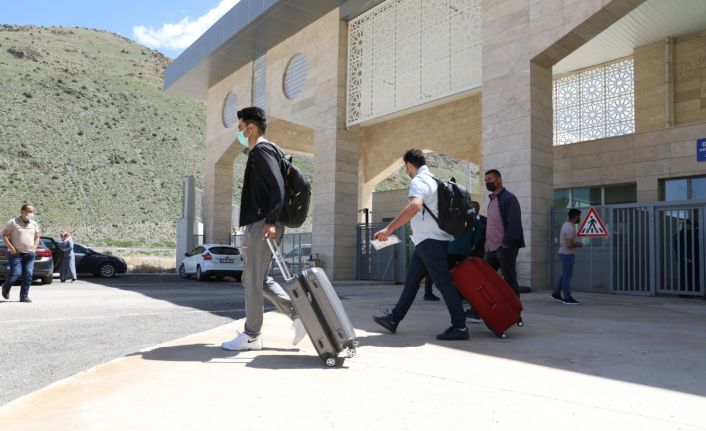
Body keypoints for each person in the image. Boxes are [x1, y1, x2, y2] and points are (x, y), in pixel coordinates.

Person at [221, 106, 305, 351]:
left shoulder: (261, 150)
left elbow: (277, 187)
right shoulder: (270, 150)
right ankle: (298, 315)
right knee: (259, 278)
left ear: (251, 127)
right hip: (264, 222)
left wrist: (269, 221)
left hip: (262, 223)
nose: (239, 132)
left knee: (252, 281)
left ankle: (251, 335)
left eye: (240, 127)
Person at [372, 149, 469, 341]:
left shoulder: (419, 180)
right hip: (428, 241)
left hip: (430, 241)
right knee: (412, 282)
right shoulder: (433, 179)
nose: (407, 172)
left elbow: (415, 205)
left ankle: (460, 327)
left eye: (406, 168)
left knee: (443, 283)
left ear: (409, 165)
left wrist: (388, 229)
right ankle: (394, 319)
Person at [483, 169, 524, 297]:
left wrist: (506, 244)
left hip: (504, 248)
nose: (487, 183)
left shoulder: (509, 198)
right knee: (484, 279)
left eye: (489, 180)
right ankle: (478, 311)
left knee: (510, 280)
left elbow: (514, 224)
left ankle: (515, 314)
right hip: (491, 248)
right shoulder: (492, 200)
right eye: (485, 181)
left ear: (499, 180)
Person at [2, 204, 41, 303]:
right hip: (16, 254)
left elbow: (37, 237)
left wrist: (34, 248)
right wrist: (11, 247)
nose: (32, 213)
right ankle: (6, 287)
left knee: (28, 275)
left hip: (30, 254)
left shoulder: (34, 224)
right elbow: (5, 235)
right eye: (30, 211)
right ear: (23, 211)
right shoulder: (13, 222)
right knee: (16, 273)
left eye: (33, 211)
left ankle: (24, 296)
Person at [552, 209, 583, 304]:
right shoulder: (570, 228)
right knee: (567, 276)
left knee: (565, 274)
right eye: (579, 216)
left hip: (565, 254)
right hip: (567, 254)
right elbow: (569, 244)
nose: (579, 218)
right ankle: (567, 297)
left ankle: (556, 293)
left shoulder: (567, 225)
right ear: (576, 216)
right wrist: (578, 244)